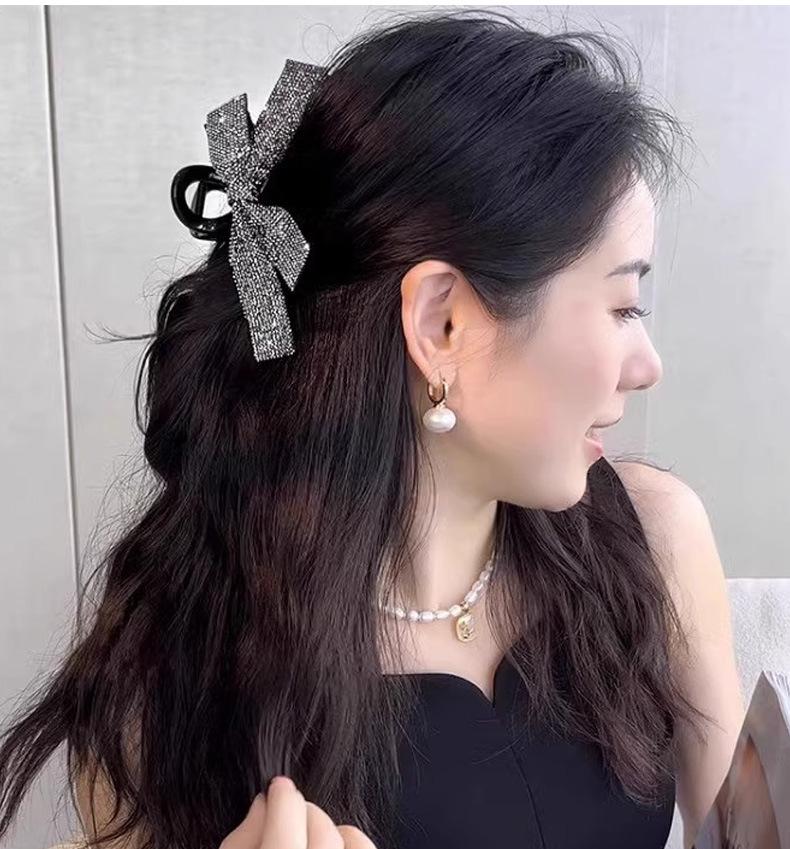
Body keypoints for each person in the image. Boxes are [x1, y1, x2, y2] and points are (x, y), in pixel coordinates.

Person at [0, 9, 744, 849]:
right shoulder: (176, 645)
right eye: (622, 306)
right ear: (441, 323)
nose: (647, 365)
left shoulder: (655, 538)